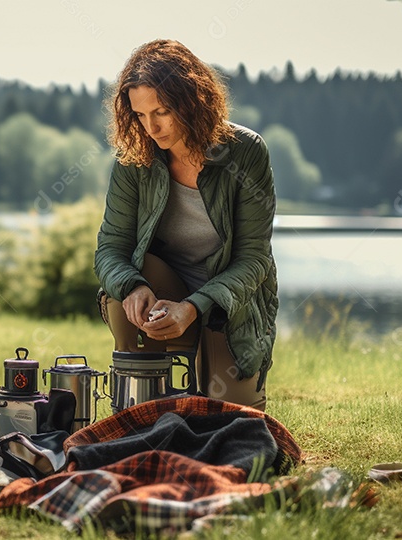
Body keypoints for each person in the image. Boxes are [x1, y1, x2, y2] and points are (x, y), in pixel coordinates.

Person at [94, 39, 278, 411]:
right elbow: (111, 248)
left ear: (192, 100)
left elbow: (253, 260)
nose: (151, 127)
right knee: (128, 278)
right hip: (164, 288)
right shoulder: (134, 160)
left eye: (162, 111)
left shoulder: (246, 151)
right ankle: (134, 407)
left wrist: (192, 307)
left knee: (230, 418)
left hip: (230, 304)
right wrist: (132, 288)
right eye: (140, 115)